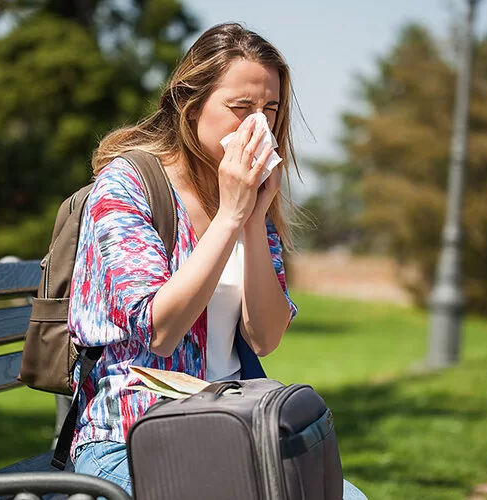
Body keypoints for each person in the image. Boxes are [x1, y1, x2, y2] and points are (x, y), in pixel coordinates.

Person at [68, 22, 367, 500]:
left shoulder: (245, 197)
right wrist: (230, 215)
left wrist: (252, 217)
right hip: (132, 436)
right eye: (241, 108)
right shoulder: (127, 186)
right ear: (191, 105)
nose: (259, 126)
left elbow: (265, 339)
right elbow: (161, 333)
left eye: (270, 109)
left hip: (234, 424)